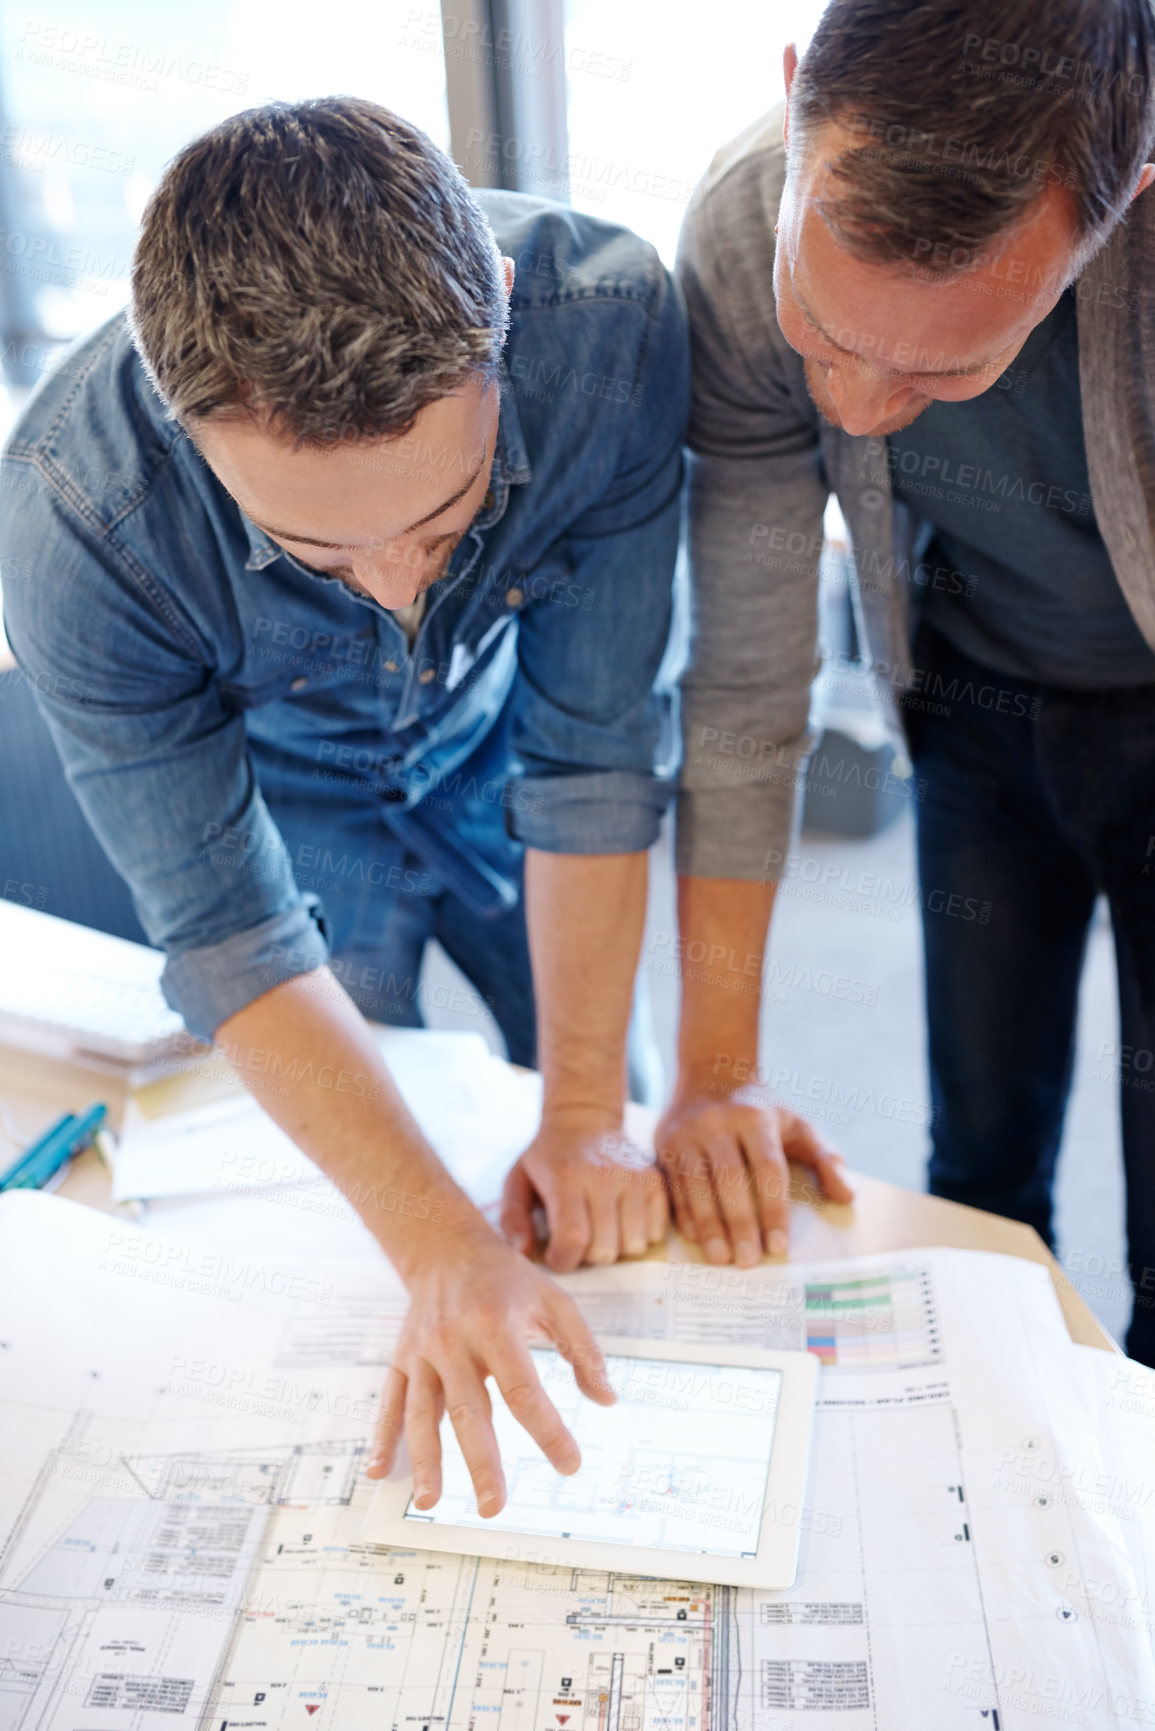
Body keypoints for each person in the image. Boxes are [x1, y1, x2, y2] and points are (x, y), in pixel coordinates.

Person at [0, 94, 698, 1514]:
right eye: (315, 546)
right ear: (181, 414)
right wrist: (444, 1242)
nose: (397, 590)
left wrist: (584, 1116)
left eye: (443, 525)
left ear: (498, 310)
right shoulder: (75, 516)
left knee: (599, 1121)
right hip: (294, 792)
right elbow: (231, 930)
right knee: (367, 1202)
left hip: (519, 754)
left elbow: (598, 757)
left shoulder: (615, 330)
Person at [665, 0, 1155, 1366]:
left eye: (947, 366)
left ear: (1120, 216)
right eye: (821, 328)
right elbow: (754, 674)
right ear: (794, 103)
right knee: (980, 1161)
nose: (860, 411)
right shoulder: (738, 216)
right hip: (978, 709)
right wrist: (715, 1074)